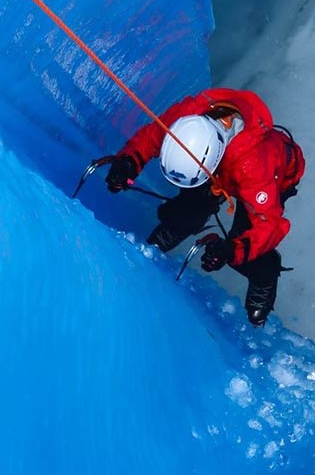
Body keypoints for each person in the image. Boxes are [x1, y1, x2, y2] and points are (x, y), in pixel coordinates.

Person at [105, 88, 304, 326]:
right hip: (223, 170)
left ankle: (265, 275)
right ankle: (175, 227)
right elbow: (152, 137)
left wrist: (231, 250)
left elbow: (270, 223)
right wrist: (129, 162)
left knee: (246, 244)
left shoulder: (253, 166)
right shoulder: (187, 118)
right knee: (190, 207)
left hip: (273, 178)